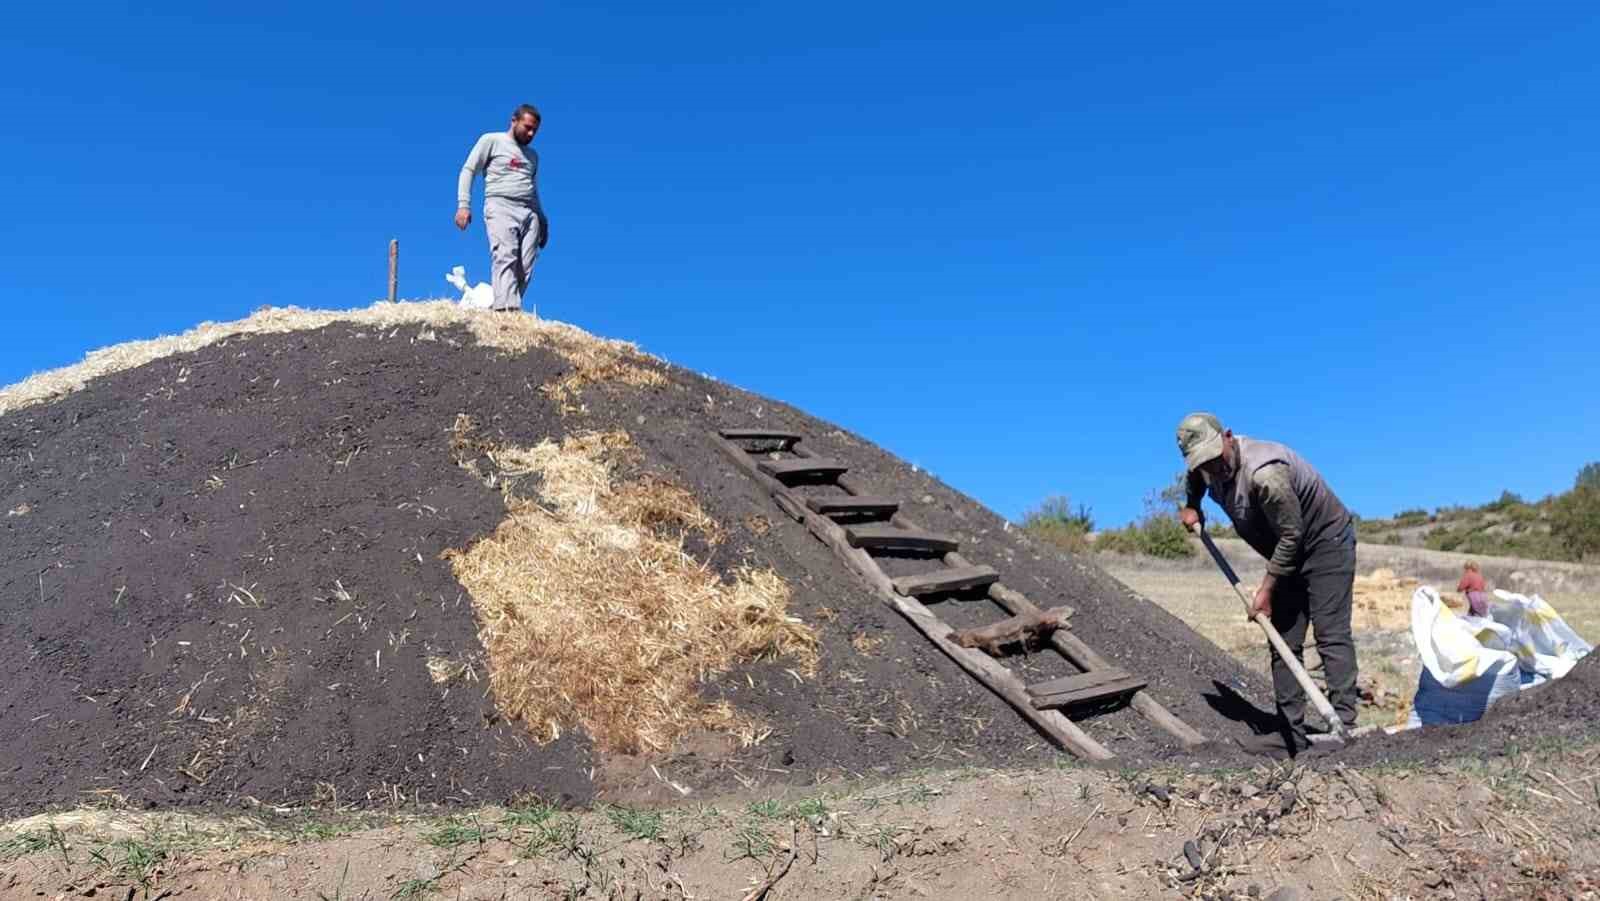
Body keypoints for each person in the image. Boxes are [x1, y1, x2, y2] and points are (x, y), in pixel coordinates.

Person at [1174, 412, 1360, 757]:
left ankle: (1345, 729)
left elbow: (1293, 535)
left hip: (1325, 544)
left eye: (1215, 459)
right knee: (1283, 641)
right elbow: (1195, 480)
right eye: (1204, 464)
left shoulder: (1266, 474)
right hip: (1284, 551)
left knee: (1330, 632)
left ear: (1228, 436)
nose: (1213, 469)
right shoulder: (1204, 467)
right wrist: (1192, 506)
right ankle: (1291, 734)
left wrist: (1267, 589)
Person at [456, 104, 548, 312]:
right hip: (500, 205)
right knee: (505, 255)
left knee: (525, 265)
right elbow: (468, 170)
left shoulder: (533, 157)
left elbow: (533, 190)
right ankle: (505, 309)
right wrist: (464, 205)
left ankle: (511, 306)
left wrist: (542, 220)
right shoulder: (492, 141)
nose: (531, 133)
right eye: (527, 127)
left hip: (529, 212)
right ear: (513, 121)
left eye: (535, 130)